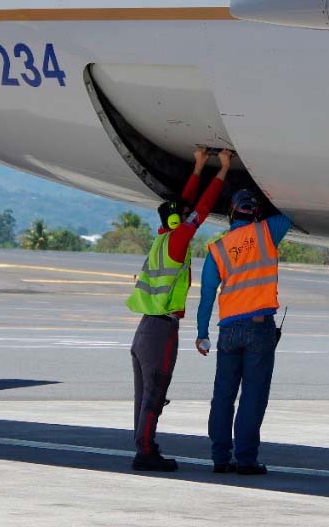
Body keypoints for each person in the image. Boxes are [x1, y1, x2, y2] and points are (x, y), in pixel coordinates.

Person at [128, 147, 232, 472]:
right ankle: (146, 453)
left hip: (145, 329)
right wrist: (223, 170)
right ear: (178, 220)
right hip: (161, 331)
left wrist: (199, 166)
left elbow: (185, 205)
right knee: (155, 396)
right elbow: (199, 210)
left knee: (144, 397)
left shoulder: (163, 237)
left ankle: (144, 447)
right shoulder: (178, 241)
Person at [195, 188, 292, 475]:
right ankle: (246, 459)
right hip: (259, 328)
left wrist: (202, 333)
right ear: (256, 213)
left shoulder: (218, 248)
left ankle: (220, 458)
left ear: (231, 214)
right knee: (253, 395)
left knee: (223, 395)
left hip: (228, 331)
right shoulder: (267, 233)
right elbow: (289, 213)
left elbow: (207, 296)